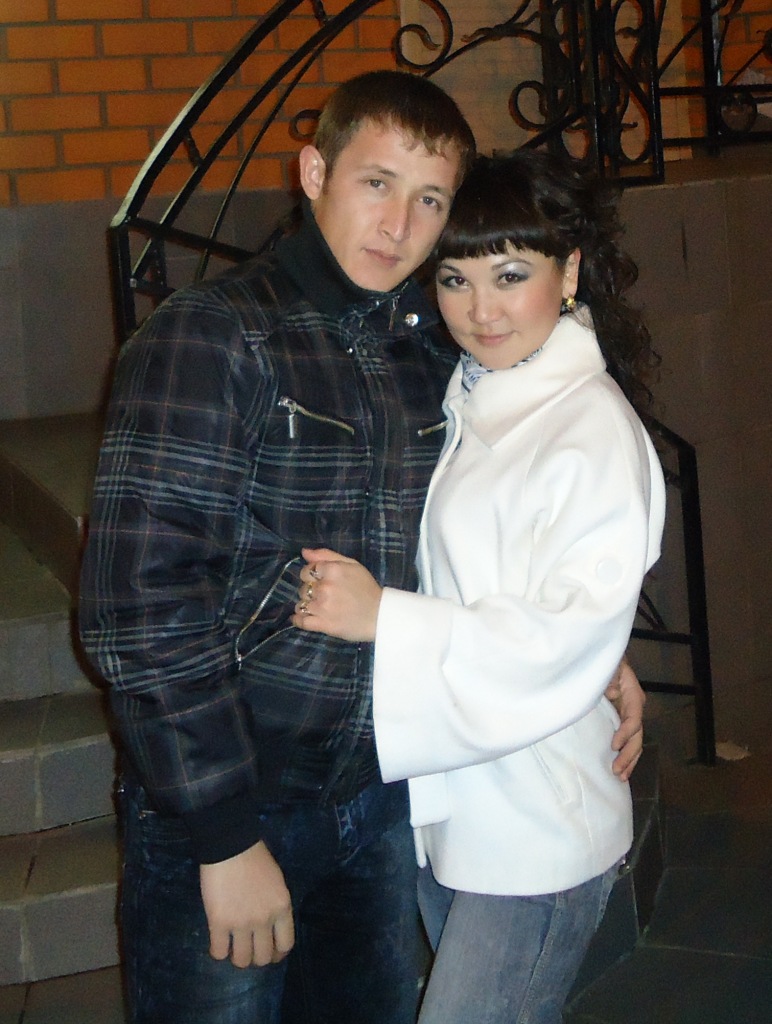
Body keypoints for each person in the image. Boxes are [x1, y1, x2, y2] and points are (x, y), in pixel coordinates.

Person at [79, 70, 645, 1024]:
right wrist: (224, 837)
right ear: (314, 174)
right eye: (375, 183)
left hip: (382, 802)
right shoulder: (214, 338)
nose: (398, 225)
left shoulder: (437, 349)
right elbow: (139, 606)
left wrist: (590, 649)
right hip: (239, 804)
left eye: (430, 200)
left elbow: (474, 536)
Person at [292, 149, 666, 1024]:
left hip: (536, 825)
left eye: (510, 276)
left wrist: (385, 619)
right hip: (461, 803)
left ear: (568, 273)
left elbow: (559, 635)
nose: (481, 310)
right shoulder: (479, 388)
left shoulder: (588, 428)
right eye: (456, 280)